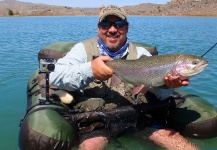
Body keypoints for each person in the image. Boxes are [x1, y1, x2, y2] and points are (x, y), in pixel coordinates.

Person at [50, 5, 196, 150]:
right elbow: (53, 76)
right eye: (106, 24)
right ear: (98, 27)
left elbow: (160, 95)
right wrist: (90, 70)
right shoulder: (82, 50)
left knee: (178, 143)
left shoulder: (141, 54)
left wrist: (167, 86)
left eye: (118, 24)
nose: (112, 29)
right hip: (95, 121)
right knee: (90, 146)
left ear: (126, 28)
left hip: (136, 116)